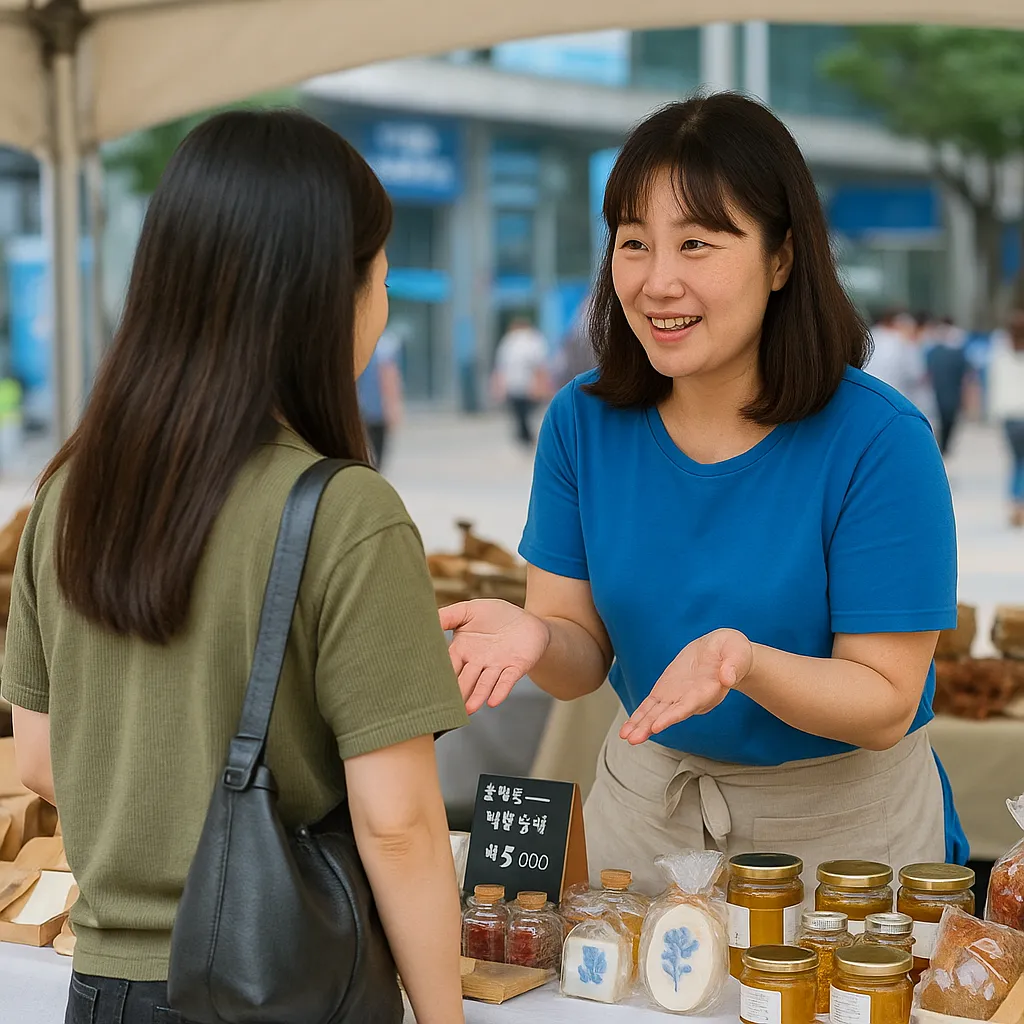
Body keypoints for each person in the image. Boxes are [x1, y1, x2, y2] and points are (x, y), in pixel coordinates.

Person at [1, 110, 467, 1024]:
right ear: (333, 292)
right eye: (377, 274)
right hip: (279, 983)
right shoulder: (347, 512)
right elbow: (399, 825)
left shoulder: (68, 495)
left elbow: (40, 757)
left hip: (102, 990)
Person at [441, 94, 965, 896]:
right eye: (634, 244)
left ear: (782, 259)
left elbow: (886, 700)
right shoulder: (582, 422)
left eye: (697, 244)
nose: (657, 282)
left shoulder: (879, 439)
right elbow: (582, 655)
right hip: (646, 817)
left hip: (846, 841)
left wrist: (743, 662)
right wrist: (537, 638)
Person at [866, 310, 936, 425]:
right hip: (895, 399)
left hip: (869, 396)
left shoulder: (873, 335)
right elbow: (916, 374)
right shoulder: (904, 343)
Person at [491, 316, 551, 447]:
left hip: (520, 384)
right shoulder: (527, 340)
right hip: (520, 384)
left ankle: (527, 437)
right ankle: (526, 437)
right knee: (522, 414)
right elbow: (540, 365)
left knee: (523, 413)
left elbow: (501, 366)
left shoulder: (513, 341)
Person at [989, 309, 1024, 527]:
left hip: (1009, 416)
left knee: (1017, 460)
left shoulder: (1000, 352)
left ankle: (1015, 501)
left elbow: (993, 384)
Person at [357, 325, 405, 469]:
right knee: (378, 450)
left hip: (363, 408)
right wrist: (392, 407)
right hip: (377, 409)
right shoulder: (385, 345)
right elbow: (389, 377)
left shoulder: (358, 344)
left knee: (366, 449)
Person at [925, 316, 969, 457]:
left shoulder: (951, 342)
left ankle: (944, 444)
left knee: (946, 413)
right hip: (947, 381)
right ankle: (944, 444)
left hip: (946, 379)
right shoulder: (955, 340)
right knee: (946, 413)